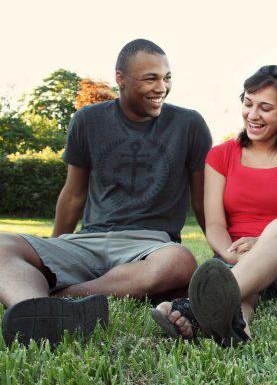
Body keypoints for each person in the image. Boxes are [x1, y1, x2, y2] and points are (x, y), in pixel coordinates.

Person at [0, 38, 212, 347]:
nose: (162, 87)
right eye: (150, 78)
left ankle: (57, 302)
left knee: (180, 262)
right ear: (120, 79)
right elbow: (73, 195)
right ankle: (30, 306)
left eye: (167, 78)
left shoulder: (189, 124)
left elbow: (202, 200)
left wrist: (221, 253)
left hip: (150, 245)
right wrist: (53, 249)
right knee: (2, 245)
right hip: (89, 240)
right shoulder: (88, 120)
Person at [151, 65, 277, 344]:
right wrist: (232, 255)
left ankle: (194, 306)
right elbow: (214, 223)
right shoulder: (220, 155)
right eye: (248, 103)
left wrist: (260, 244)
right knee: (242, 295)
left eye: (265, 108)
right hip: (234, 258)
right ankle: (236, 327)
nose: (253, 115)